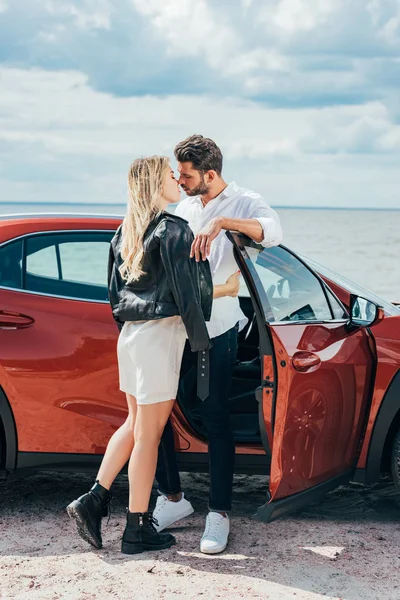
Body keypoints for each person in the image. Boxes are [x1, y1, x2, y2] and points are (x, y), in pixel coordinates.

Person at [66, 155, 241, 554]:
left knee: (135, 425)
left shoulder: (124, 232)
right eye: (169, 176)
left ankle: (93, 499)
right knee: (148, 436)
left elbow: (115, 298)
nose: (177, 181)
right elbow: (188, 296)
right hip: (160, 339)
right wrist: (228, 291)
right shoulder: (173, 230)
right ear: (152, 184)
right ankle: (135, 530)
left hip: (130, 338)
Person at [153, 135, 283, 555]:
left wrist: (223, 223)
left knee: (216, 418)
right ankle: (173, 499)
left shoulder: (245, 201)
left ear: (210, 173)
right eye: (179, 175)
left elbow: (273, 233)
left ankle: (219, 513)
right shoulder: (184, 205)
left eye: (187, 175)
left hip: (219, 327)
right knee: (160, 412)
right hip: (175, 326)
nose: (181, 181)